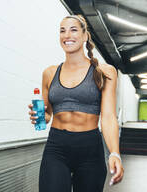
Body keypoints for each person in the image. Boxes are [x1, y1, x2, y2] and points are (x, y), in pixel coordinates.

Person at [28, 14, 124, 191]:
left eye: (73, 30)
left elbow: (109, 117)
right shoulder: (50, 73)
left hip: (90, 149)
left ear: (85, 35)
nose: (67, 35)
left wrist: (114, 152)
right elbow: (48, 114)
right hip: (57, 147)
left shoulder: (104, 71)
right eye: (62, 31)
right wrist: (40, 116)